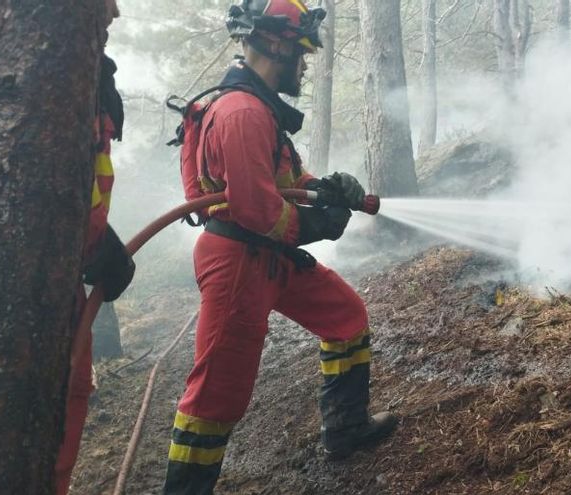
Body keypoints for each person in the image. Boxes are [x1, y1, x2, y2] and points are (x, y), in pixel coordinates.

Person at [163, 1, 396, 492]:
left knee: (346, 318)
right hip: (240, 264)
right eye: (301, 52)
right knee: (216, 397)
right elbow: (259, 210)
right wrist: (318, 224)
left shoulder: (258, 105)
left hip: (269, 255)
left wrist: (326, 189)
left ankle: (347, 429)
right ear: (274, 45)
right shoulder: (242, 112)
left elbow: (283, 180)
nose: (305, 65)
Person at [55, 1, 135, 493]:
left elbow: (80, 185)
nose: (114, 12)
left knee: (70, 397)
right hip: (32, 291)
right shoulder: (48, 76)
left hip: (62, 280)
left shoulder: (85, 75)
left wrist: (98, 243)